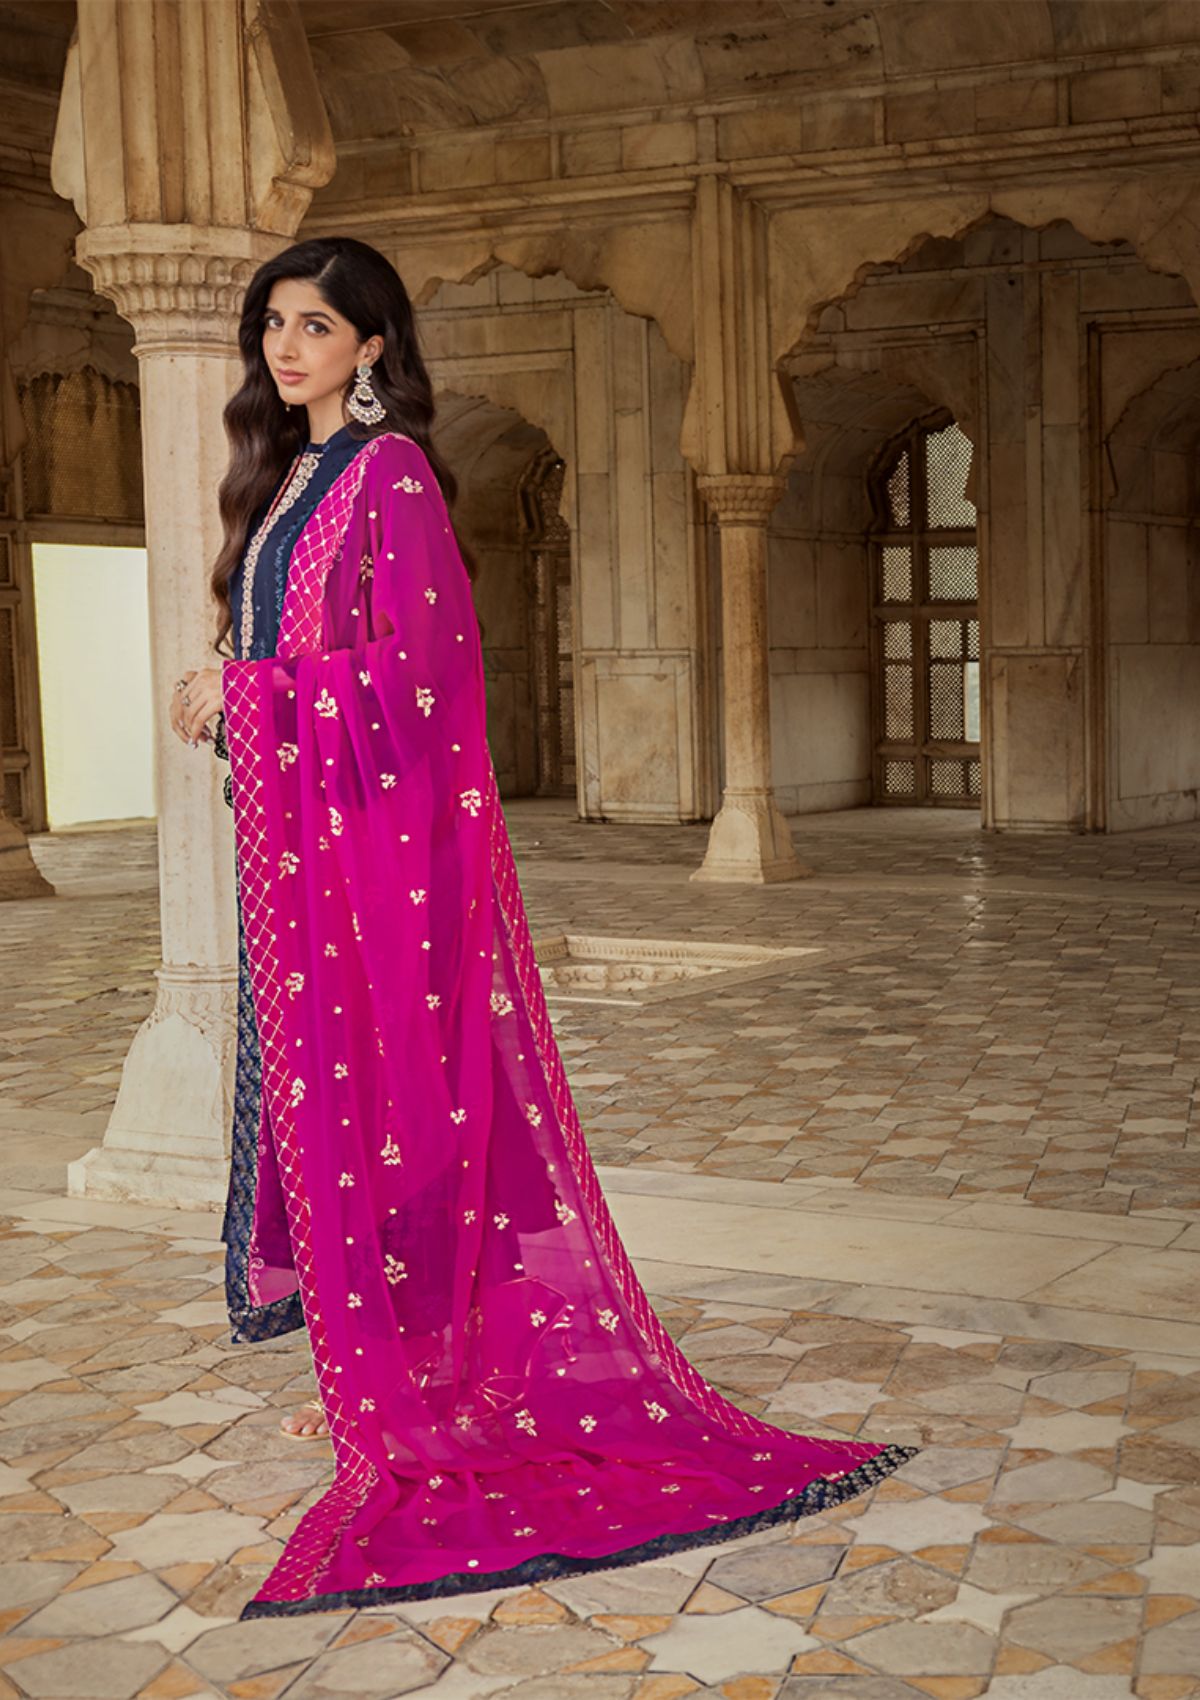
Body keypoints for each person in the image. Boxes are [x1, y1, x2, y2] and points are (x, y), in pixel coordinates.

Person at [169, 237, 913, 1619]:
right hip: (306, 866)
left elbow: (426, 673)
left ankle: (423, 1395)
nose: (285, 346)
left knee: (406, 1115)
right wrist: (229, 690)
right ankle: (385, 1381)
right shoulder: (280, 483)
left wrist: (253, 699)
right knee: (338, 1109)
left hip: (384, 870)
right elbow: (304, 650)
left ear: (372, 346)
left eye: (315, 326)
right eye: (273, 323)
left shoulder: (388, 474)